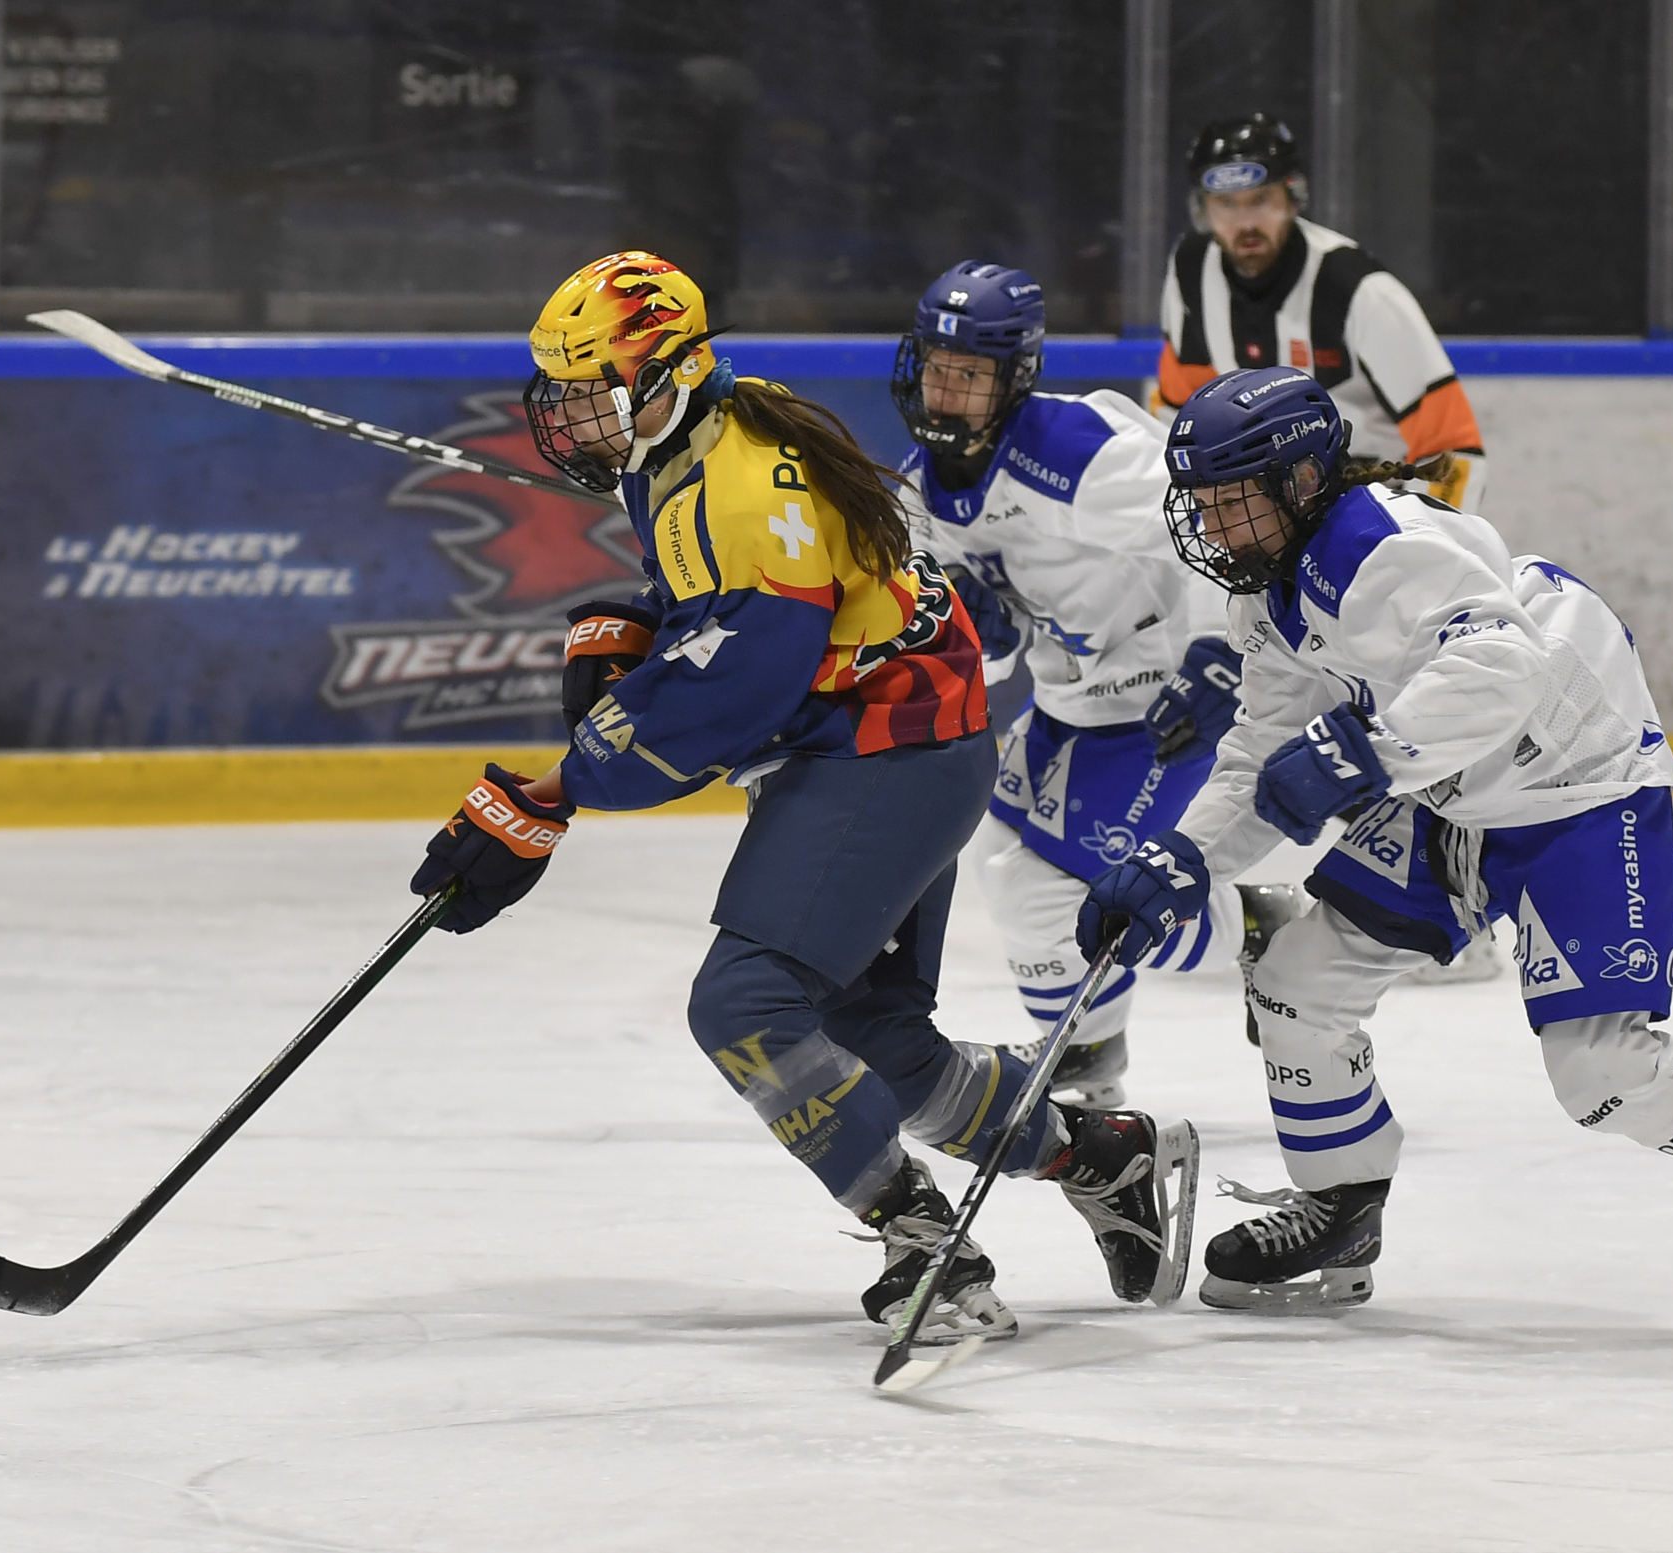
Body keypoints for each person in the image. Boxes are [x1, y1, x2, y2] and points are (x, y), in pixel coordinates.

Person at [410, 251, 1201, 1345]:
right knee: (874, 1037)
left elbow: (742, 681)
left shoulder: (734, 481)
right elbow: (737, 610)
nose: (572, 419)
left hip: (888, 749)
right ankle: (1097, 1154)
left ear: (667, 373)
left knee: (741, 1003)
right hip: (904, 734)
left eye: (594, 391)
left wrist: (548, 793)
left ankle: (918, 1232)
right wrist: (642, 625)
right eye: (565, 394)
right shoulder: (695, 431)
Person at [1077, 367, 1673, 1313]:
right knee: (1295, 980)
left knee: (1603, 1075)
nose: (1212, 529)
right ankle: (1340, 1208)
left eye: (1231, 503)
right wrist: (1182, 856)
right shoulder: (1268, 597)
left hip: (1575, 782)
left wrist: (1363, 749)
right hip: (1445, 790)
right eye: (1199, 504)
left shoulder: (1384, 545)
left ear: (1301, 482)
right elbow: (1254, 758)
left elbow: (1505, 664)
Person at [888, 258, 1291, 1104]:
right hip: (1073, 702)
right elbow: (971, 639)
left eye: (972, 374)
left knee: (1090, 887)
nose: (947, 390)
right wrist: (978, 635)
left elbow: (1217, 529)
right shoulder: (919, 493)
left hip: (1168, 694)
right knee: (1003, 862)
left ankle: (1244, 947)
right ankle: (1109, 1034)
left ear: (1016, 378)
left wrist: (1222, 653)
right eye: (937, 367)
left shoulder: (1081, 458)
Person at [1155, 113, 1489, 516]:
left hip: (1374, 516)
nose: (1245, 223)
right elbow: (1179, 415)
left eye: (1260, 199)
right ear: (1202, 209)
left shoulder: (1358, 291)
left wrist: (1437, 552)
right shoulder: (1190, 271)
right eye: (1226, 204)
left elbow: (1454, 448)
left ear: (1292, 196)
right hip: (1260, 519)